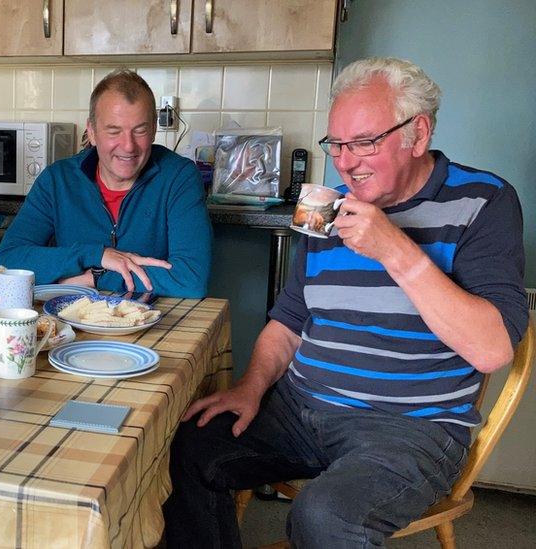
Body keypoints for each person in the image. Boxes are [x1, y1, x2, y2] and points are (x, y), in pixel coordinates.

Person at [163, 57, 528, 548]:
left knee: (325, 517)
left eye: (364, 143)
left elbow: (493, 349)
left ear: (417, 133)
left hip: (410, 428)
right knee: (184, 448)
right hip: (299, 407)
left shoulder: (485, 202)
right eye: (335, 144)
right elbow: (290, 320)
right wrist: (250, 387)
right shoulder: (327, 207)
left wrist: (396, 249)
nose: (345, 161)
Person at [0, 70, 212, 298]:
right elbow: (7, 262)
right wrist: (96, 255)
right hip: (71, 323)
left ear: (154, 129)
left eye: (140, 130)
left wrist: (94, 278)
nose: (128, 146)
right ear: (92, 132)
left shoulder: (179, 177)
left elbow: (191, 280)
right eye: (113, 131)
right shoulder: (57, 180)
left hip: (157, 324)